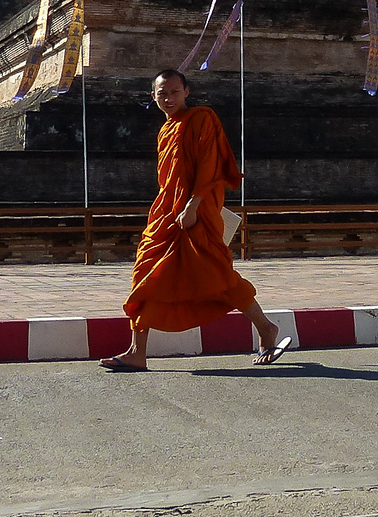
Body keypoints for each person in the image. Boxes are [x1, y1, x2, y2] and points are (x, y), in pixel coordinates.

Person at [100, 69, 290, 371]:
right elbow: (169, 179)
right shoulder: (165, 130)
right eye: (162, 93)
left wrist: (193, 204)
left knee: (219, 276)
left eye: (175, 91)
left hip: (196, 212)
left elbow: (210, 166)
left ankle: (267, 329)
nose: (169, 98)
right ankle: (137, 352)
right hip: (166, 213)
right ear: (153, 97)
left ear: (186, 92)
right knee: (145, 271)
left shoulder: (202, 119)